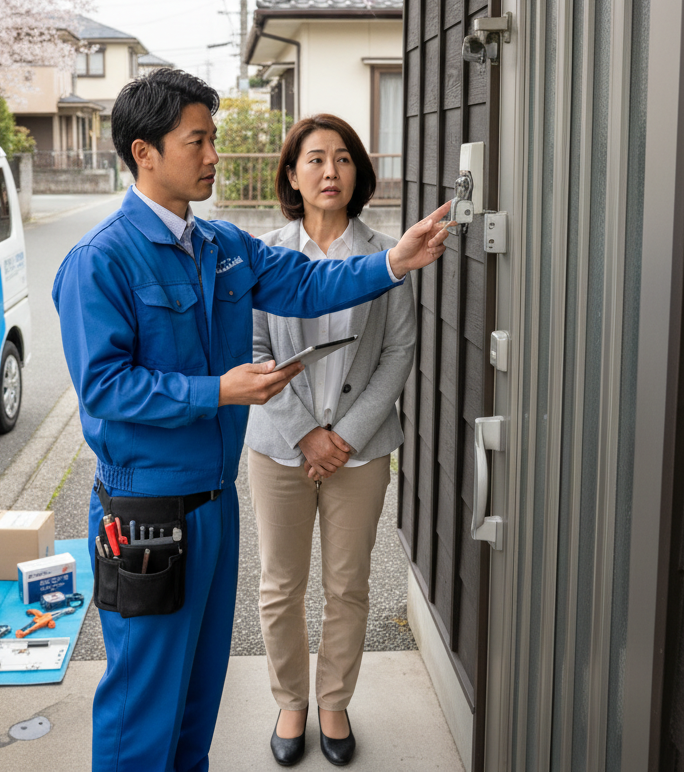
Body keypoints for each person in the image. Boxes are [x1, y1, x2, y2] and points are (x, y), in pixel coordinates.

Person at [52, 69, 452, 772]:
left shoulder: (223, 246)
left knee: (197, 701)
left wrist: (392, 260)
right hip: (145, 510)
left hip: (216, 501)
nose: (213, 156)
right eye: (197, 141)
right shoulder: (100, 260)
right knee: (142, 707)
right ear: (145, 152)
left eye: (211, 140)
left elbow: (307, 282)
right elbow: (106, 389)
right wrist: (218, 392)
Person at [245, 115, 416, 767]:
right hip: (278, 448)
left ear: (358, 174)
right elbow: (252, 348)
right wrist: (304, 433)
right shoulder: (265, 255)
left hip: (361, 450)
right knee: (280, 583)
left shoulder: (386, 252)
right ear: (291, 173)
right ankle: (291, 700)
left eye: (343, 158)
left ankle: (334, 701)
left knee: (347, 584)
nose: (329, 171)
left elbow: (400, 349)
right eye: (314, 159)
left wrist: (340, 436)